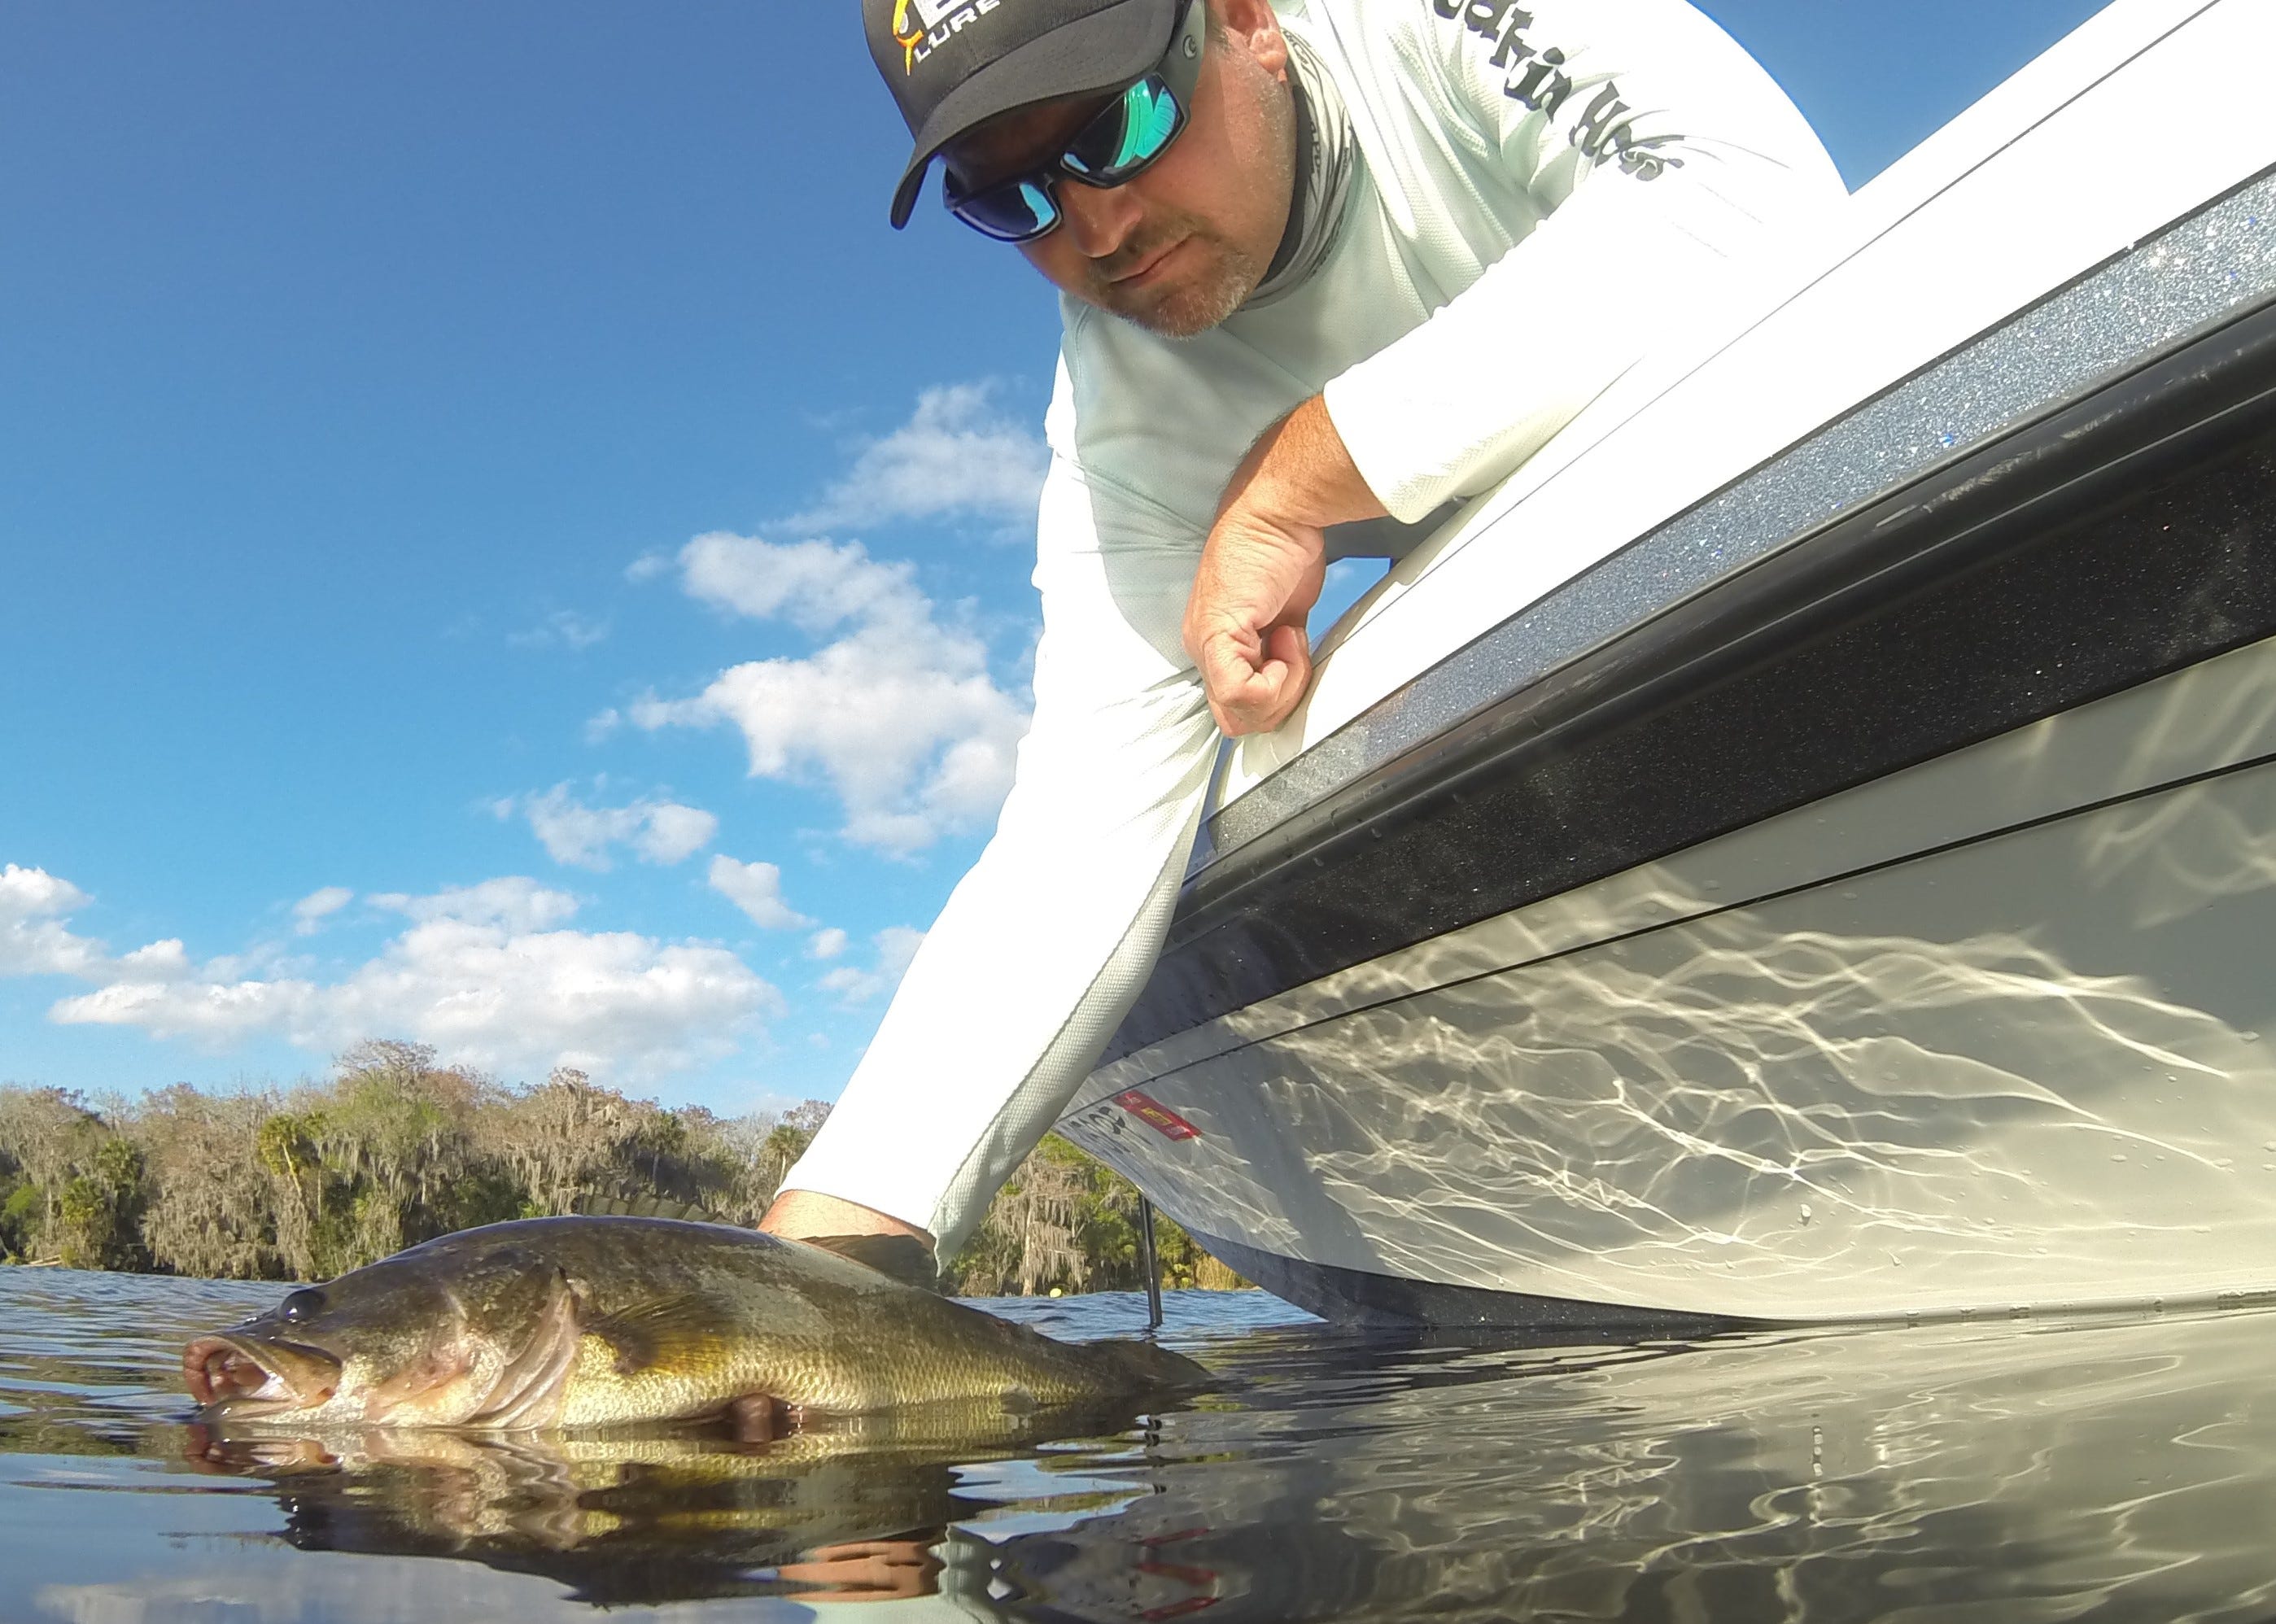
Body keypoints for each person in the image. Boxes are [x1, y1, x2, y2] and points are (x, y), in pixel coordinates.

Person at [760, 0, 1844, 1280]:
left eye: (1118, 126)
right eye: (1013, 202)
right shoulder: (1118, 428)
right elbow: (1077, 833)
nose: (1095, 228)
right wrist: (814, 1269)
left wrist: (1298, 477)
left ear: (1243, 20)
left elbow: (1751, 194)